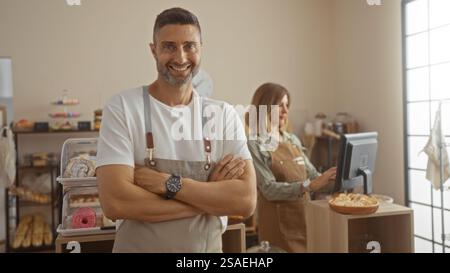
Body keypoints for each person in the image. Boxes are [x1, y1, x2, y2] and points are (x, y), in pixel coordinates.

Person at [96, 7, 256, 253]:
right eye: (169, 46)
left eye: (189, 46)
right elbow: (116, 202)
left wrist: (167, 184)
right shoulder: (123, 107)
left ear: (201, 48)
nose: (181, 58)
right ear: (154, 50)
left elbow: (245, 201)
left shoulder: (223, 114)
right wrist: (209, 199)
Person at [246, 83, 336, 253]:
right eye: (280, 106)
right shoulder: (254, 144)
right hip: (278, 227)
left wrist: (336, 177)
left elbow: (314, 176)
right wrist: (308, 186)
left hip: (304, 221)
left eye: (287, 105)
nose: (286, 111)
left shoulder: (292, 139)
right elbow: (269, 189)